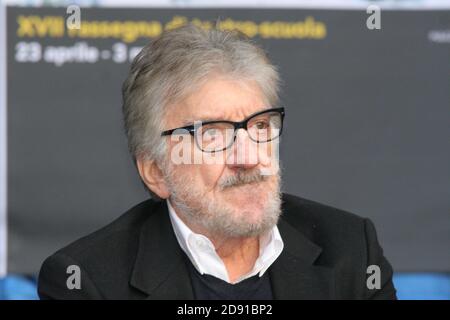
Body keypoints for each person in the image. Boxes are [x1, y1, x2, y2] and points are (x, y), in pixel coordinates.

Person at [38, 24, 396, 300]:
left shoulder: (351, 250)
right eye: (212, 134)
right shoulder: (87, 282)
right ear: (155, 171)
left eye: (259, 126)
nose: (249, 157)